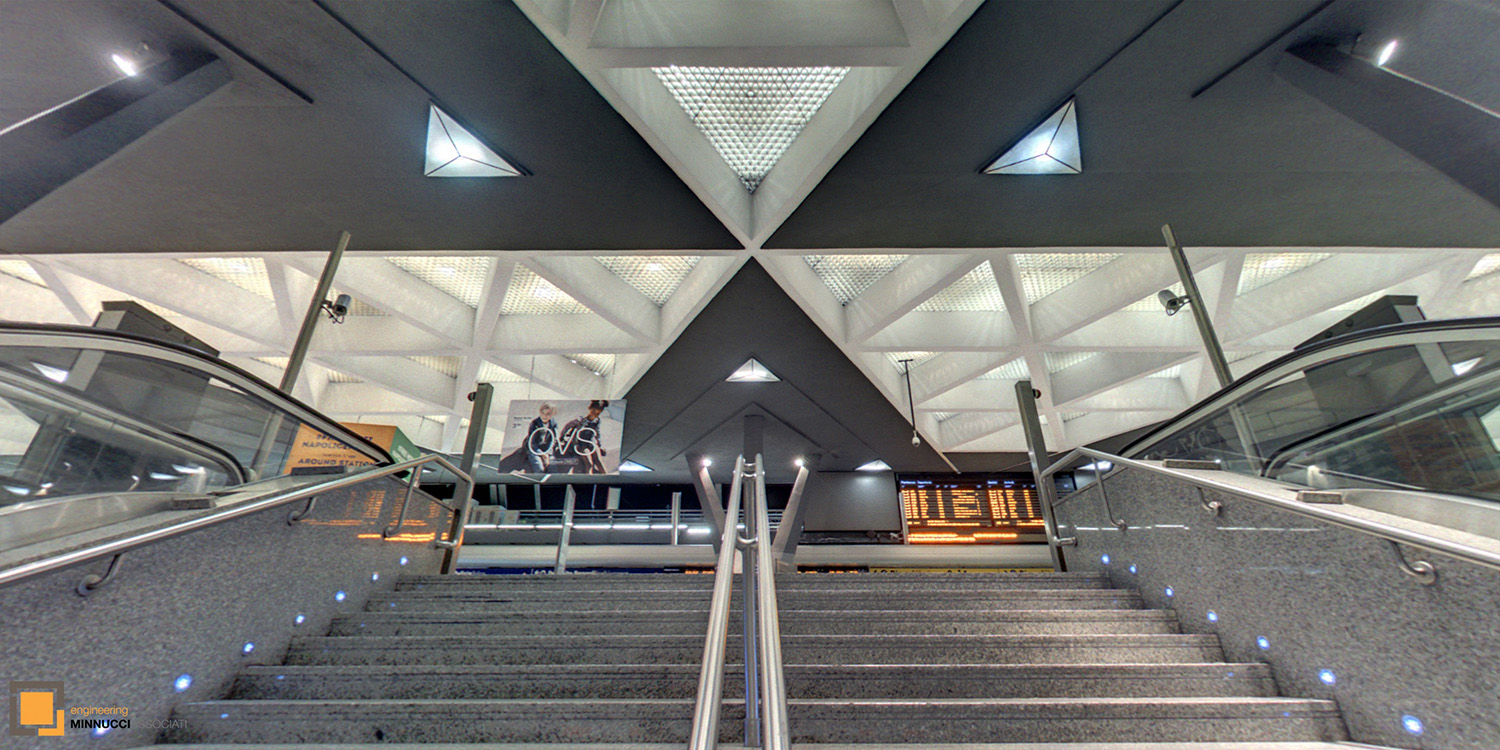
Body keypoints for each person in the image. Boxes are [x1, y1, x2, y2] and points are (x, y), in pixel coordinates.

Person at [494, 403, 558, 473]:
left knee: (553, 468)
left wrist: (547, 453)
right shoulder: (534, 423)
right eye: (542, 413)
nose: (544, 416)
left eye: (548, 414)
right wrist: (541, 454)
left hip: (546, 449)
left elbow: (553, 440)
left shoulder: (553, 423)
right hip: (534, 449)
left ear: (552, 414)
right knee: (539, 467)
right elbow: (532, 442)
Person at [557, 400, 609, 474]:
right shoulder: (580, 420)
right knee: (589, 463)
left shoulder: (597, 420)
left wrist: (600, 445)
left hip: (592, 443)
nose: (595, 414)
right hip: (581, 444)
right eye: (594, 411)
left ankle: (606, 481)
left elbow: (597, 433)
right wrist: (562, 436)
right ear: (590, 408)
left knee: (599, 461)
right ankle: (589, 482)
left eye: (598, 413)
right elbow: (568, 426)